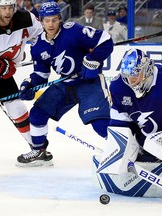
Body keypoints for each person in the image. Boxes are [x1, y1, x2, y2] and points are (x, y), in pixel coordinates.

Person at [92, 48, 162, 197]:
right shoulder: (118, 86)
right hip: (145, 137)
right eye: (127, 76)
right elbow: (120, 120)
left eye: (135, 76)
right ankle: (146, 154)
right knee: (118, 147)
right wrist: (123, 145)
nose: (131, 81)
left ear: (147, 71)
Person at [16, 1, 113, 166]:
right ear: (41, 21)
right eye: (46, 20)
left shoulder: (73, 31)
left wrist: (91, 60)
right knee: (38, 113)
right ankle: (40, 151)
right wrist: (30, 83)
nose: (51, 24)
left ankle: (127, 149)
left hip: (89, 82)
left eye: (54, 20)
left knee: (100, 122)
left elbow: (105, 40)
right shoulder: (38, 46)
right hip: (66, 83)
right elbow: (41, 73)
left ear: (60, 19)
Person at [0, 0, 44, 162]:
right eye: (3, 8)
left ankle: (37, 148)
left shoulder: (26, 19)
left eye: (10, 7)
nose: (7, 12)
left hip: (1, 77)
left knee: (16, 106)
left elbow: (45, 35)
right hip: (1, 72)